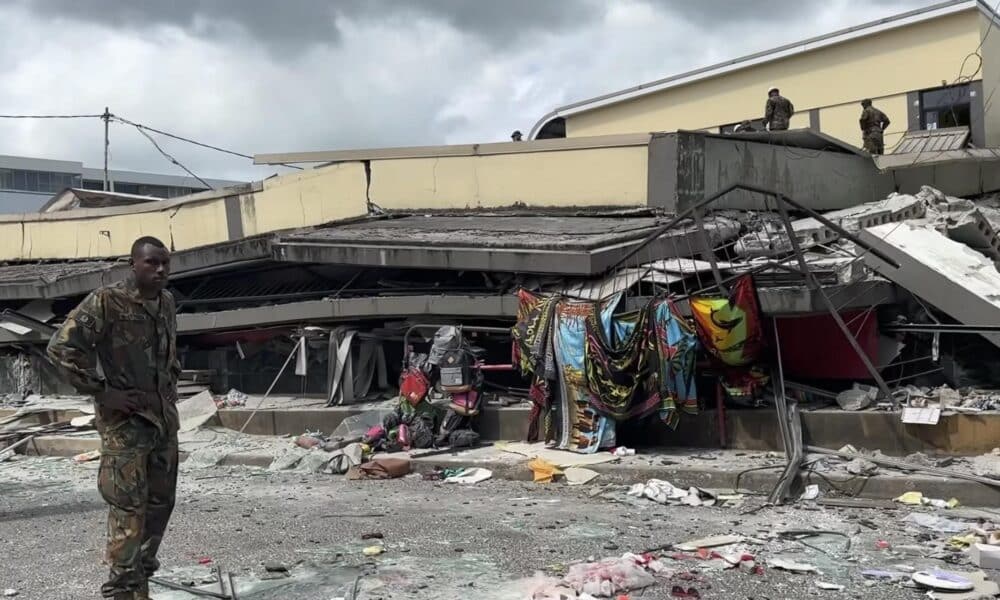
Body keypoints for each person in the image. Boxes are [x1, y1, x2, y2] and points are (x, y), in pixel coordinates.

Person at [47, 236, 180, 600]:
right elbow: (61, 349)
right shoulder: (107, 301)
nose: (160, 270)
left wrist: (171, 381)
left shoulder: (166, 302)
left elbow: (168, 352)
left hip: (163, 422)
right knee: (128, 509)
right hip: (126, 425)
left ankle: (141, 583)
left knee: (160, 504)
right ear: (133, 264)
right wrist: (102, 392)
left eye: (165, 263)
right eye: (152, 263)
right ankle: (120, 590)